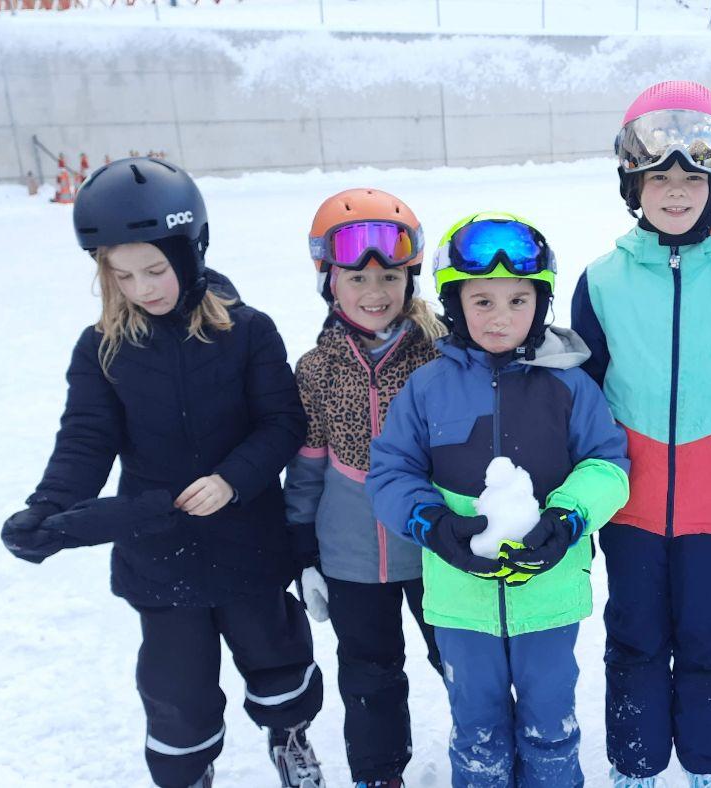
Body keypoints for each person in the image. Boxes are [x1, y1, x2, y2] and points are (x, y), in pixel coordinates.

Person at [0, 157, 324, 788]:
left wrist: (232, 479)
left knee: (276, 655)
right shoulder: (102, 348)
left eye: (154, 269)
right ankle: (187, 771)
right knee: (177, 685)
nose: (142, 288)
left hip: (249, 542)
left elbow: (283, 423)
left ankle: (289, 735)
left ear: (190, 252)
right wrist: (47, 507)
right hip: (159, 550)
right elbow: (85, 441)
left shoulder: (248, 332)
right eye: (122, 275)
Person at [570, 80, 711, 788]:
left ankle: (706, 765)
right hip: (631, 510)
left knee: (710, 643)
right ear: (633, 186)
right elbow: (580, 407)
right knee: (634, 641)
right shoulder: (601, 282)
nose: (676, 192)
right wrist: (576, 505)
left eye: (693, 178)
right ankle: (637, 765)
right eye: (659, 178)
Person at [366, 212, 630, 788]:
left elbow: (608, 465)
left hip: (549, 598)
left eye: (518, 300)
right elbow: (390, 471)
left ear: (541, 304)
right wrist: (432, 523)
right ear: (454, 304)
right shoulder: (427, 388)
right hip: (461, 604)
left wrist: (566, 519)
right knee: (477, 729)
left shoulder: (570, 385)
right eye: (482, 301)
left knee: (550, 725)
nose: (500, 317)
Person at [284, 188, 449, 788]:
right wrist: (302, 554)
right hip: (350, 558)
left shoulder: (439, 356)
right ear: (329, 281)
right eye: (357, 278)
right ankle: (379, 775)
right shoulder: (316, 369)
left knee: (462, 661)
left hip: (437, 549)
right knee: (368, 676)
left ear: (410, 279)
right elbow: (306, 470)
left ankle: (489, 753)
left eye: (390, 277)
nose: (375, 292)